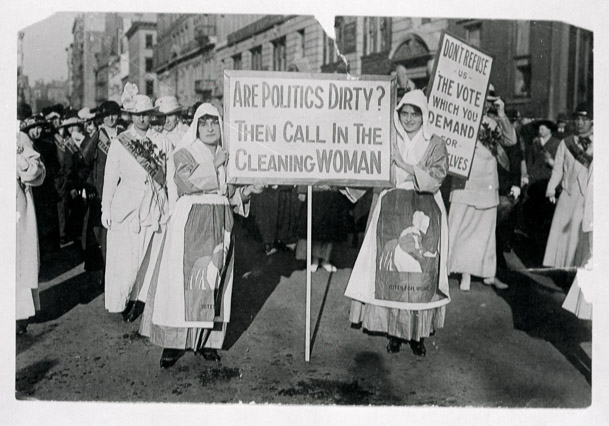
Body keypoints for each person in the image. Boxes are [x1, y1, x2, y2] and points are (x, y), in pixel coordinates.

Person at [139, 103, 263, 368]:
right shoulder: (184, 152)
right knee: (184, 285)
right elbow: (186, 183)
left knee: (213, 282)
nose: (209, 128)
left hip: (220, 222)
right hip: (191, 222)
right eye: (204, 122)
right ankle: (173, 344)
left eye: (214, 122)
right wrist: (212, 163)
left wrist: (249, 190)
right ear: (196, 125)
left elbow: (229, 197)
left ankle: (206, 341)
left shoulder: (229, 155)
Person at [345, 89, 450, 357]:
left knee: (419, 275)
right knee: (390, 271)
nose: (410, 118)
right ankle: (394, 331)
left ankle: (417, 335)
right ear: (398, 113)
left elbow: (437, 177)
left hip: (423, 209)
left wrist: (404, 164)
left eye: (415, 113)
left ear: (424, 115)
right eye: (405, 112)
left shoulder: (435, 143)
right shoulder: (388, 138)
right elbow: (369, 166)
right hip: (390, 209)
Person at [101, 83, 171, 320]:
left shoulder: (162, 141)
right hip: (127, 207)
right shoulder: (121, 141)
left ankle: (140, 301)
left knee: (149, 257)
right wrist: (106, 207)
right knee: (127, 259)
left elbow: (168, 176)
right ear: (131, 115)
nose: (142, 119)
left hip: (154, 205)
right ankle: (123, 300)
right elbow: (110, 178)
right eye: (138, 115)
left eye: (146, 114)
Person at [448, 84, 517, 291]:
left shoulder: (494, 122)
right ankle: (464, 273)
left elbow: (511, 140)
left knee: (485, 232)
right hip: (466, 183)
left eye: (490, 100)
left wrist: (502, 112)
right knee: (462, 229)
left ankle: (488, 273)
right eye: (484, 99)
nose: (487, 104)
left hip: (487, 183)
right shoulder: (462, 119)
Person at [543, 105, 593, 268]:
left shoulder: (600, 143)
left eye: (584, 119)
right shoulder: (566, 143)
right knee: (564, 236)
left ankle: (577, 272)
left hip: (586, 197)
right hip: (567, 194)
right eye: (577, 118)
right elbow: (557, 169)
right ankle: (564, 271)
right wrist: (551, 188)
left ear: (592, 121)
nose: (579, 123)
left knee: (578, 236)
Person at [81, 100, 124, 278]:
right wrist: (88, 184)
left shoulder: (124, 133)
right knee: (103, 234)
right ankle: (106, 273)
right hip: (101, 190)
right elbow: (84, 161)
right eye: (107, 115)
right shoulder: (99, 135)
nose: (111, 118)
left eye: (114, 114)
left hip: (122, 190)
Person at [16, 126, 46, 335]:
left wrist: (20, 162)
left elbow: (38, 171)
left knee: (15, 262)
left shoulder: (18, 137)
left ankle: (18, 315)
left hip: (15, 209)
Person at [522, 119, 561, 265]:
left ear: (550, 130)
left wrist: (550, 161)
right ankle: (535, 253)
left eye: (544, 128)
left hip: (549, 185)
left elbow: (560, 165)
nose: (541, 130)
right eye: (539, 128)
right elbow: (530, 162)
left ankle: (544, 254)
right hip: (535, 184)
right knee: (534, 220)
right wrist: (528, 176)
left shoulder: (557, 144)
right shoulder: (535, 143)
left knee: (546, 220)